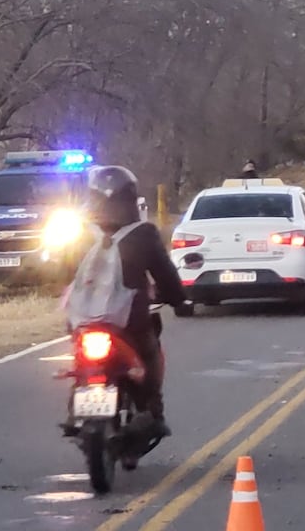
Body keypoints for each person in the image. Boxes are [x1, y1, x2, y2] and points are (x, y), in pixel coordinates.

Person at [82, 165, 188, 438]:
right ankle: (151, 409)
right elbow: (165, 274)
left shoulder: (80, 234)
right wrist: (177, 299)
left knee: (79, 357)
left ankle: (80, 395)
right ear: (130, 198)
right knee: (150, 352)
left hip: (84, 318)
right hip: (130, 321)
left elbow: (60, 272)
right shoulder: (144, 234)